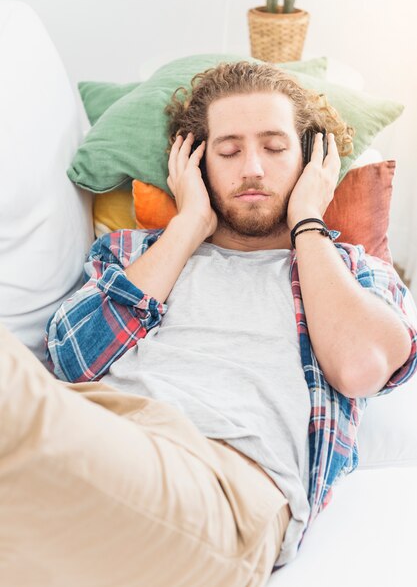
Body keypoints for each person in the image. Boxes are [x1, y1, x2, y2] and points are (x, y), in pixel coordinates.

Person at [2, 61, 416, 587]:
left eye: (274, 146)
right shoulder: (135, 256)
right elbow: (71, 359)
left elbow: (361, 367)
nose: (252, 169)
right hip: (98, 432)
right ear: (197, 164)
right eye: (228, 151)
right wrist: (188, 224)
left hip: (226, 485)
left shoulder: (353, 274)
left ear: (312, 161)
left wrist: (308, 223)